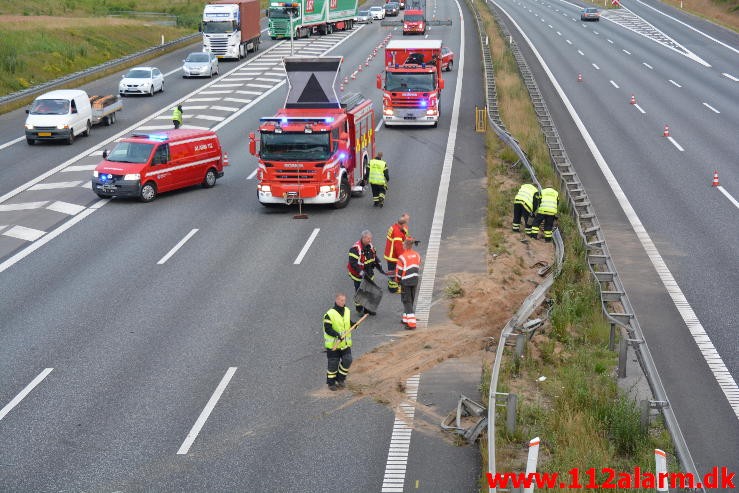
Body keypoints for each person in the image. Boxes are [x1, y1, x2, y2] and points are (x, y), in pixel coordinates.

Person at [323, 293, 356, 391]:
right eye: (341, 300)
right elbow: (327, 329)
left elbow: (347, 322)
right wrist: (337, 335)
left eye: (344, 300)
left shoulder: (347, 311)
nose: (343, 302)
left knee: (348, 360)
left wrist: (353, 324)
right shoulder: (329, 314)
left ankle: (340, 378)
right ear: (336, 300)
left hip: (345, 344)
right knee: (333, 364)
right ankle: (331, 383)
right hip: (334, 345)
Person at [347, 230, 382, 315]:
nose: (370, 240)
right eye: (368, 239)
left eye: (371, 238)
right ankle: (359, 308)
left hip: (369, 272)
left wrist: (378, 261)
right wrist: (360, 272)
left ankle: (368, 309)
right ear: (363, 238)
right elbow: (353, 263)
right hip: (358, 275)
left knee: (369, 291)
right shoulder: (355, 249)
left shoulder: (369, 245)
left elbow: (373, 254)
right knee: (360, 291)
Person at [396, 238, 422, 329]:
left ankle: (411, 324)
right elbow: (417, 264)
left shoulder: (402, 257)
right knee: (411, 299)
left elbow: (399, 272)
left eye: (403, 244)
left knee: (406, 301)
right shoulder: (417, 255)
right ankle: (405, 319)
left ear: (405, 246)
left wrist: (398, 281)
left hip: (405, 282)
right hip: (414, 280)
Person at [384, 213, 410, 293]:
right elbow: (398, 247)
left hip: (391, 254)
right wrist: (402, 257)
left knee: (393, 271)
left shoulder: (395, 227)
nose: (408, 222)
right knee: (393, 272)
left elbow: (405, 236)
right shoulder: (397, 232)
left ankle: (393, 284)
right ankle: (393, 289)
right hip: (393, 256)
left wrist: (410, 239)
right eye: (407, 221)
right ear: (403, 223)